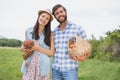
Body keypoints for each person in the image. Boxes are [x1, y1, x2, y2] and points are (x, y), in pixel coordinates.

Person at [51, 4, 91, 80]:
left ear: (65, 12)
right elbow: (53, 50)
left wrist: (83, 58)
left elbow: (87, 46)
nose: (60, 14)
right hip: (56, 70)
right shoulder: (54, 32)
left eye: (61, 11)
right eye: (57, 13)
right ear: (55, 17)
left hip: (70, 69)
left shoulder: (77, 28)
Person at [21, 9, 54, 80]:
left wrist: (38, 48)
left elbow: (51, 53)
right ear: (39, 16)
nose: (44, 19)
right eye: (43, 16)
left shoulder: (50, 34)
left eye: (47, 18)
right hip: (29, 65)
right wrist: (23, 48)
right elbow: (25, 47)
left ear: (48, 22)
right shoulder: (28, 30)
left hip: (43, 67)